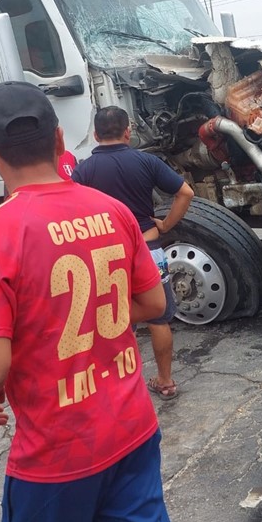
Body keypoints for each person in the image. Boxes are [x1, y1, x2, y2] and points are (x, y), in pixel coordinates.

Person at [0, 81, 175, 522]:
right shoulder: (112, 211)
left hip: (57, 453)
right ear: (59, 141)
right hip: (133, 428)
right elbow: (154, 305)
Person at [74, 106, 195, 401]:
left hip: (107, 254)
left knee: (113, 320)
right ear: (128, 132)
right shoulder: (146, 161)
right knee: (159, 317)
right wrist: (165, 224)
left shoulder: (84, 170)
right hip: (149, 249)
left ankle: (118, 387)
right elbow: (186, 193)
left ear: (95, 134)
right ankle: (165, 381)